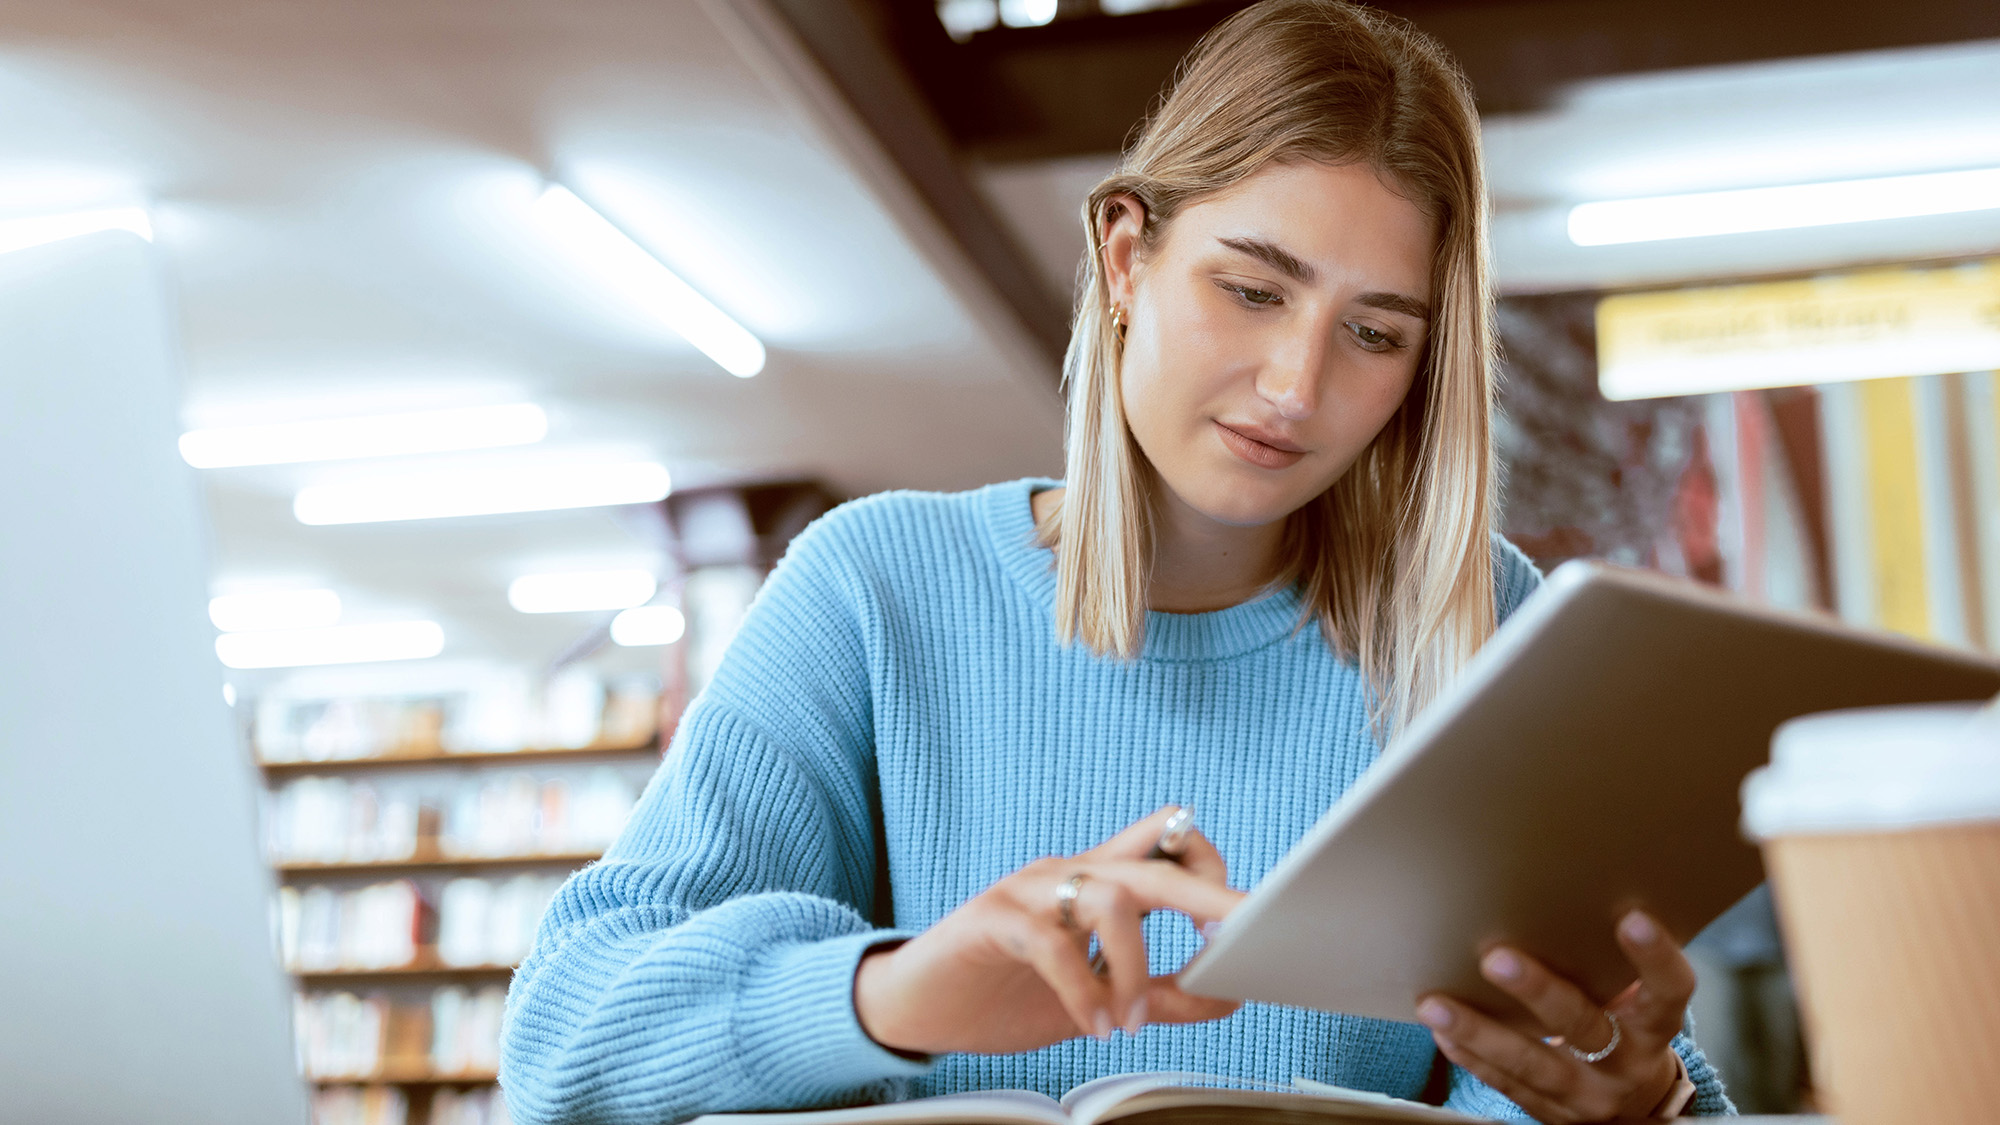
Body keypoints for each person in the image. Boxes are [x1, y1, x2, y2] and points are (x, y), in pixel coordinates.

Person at [500, 2, 1731, 1121]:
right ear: (1125, 254)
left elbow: (1577, 1062)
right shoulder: (874, 589)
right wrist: (900, 995)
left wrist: (1640, 1104)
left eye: (1371, 333)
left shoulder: (1484, 632)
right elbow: (560, 1046)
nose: (1295, 387)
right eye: (1251, 290)